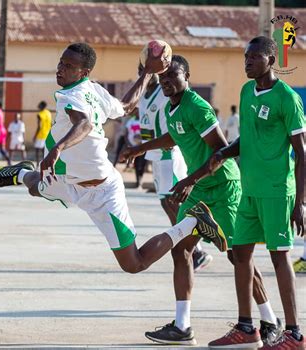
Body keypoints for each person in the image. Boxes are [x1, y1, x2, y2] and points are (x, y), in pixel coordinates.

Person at [0, 42, 228, 309]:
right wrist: (147, 71)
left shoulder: (82, 94)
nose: (60, 69)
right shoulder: (81, 91)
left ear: (84, 71)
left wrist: (57, 148)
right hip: (68, 180)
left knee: (134, 264)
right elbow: (128, 105)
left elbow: (88, 122)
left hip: (102, 191)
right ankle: (21, 173)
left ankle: (192, 224)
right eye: (61, 63)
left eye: (69, 66)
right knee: (35, 186)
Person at [121, 55, 280, 346]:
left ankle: (270, 320)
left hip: (223, 187)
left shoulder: (198, 107)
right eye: (163, 78)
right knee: (181, 250)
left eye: (173, 77)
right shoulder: (173, 106)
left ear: (187, 77)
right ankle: (182, 326)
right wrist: (139, 148)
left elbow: (220, 152)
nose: (167, 82)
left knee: (238, 256)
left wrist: (188, 180)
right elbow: (175, 136)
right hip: (200, 189)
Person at [208, 36, 305, 349]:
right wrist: (223, 153)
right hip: (249, 190)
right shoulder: (246, 91)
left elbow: (302, 154)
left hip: (277, 190)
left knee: (279, 257)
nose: (247, 62)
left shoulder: (287, 98)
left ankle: (294, 333)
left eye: (253, 58)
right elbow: (246, 141)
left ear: (271, 61)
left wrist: (300, 202)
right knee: (241, 254)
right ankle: (247, 327)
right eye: (245, 57)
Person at [137, 68, 212, 272]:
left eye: (153, 70)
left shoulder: (165, 94)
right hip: (155, 156)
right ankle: (191, 244)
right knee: (165, 202)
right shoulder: (145, 95)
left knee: (174, 201)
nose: (146, 73)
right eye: (142, 69)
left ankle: (197, 248)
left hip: (168, 155)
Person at [124, 112, 145, 189]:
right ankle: (138, 182)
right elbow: (126, 134)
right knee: (136, 165)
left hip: (143, 147)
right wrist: (129, 144)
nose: (137, 112)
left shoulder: (144, 120)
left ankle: (140, 180)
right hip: (133, 147)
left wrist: (143, 142)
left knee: (142, 165)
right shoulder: (131, 121)